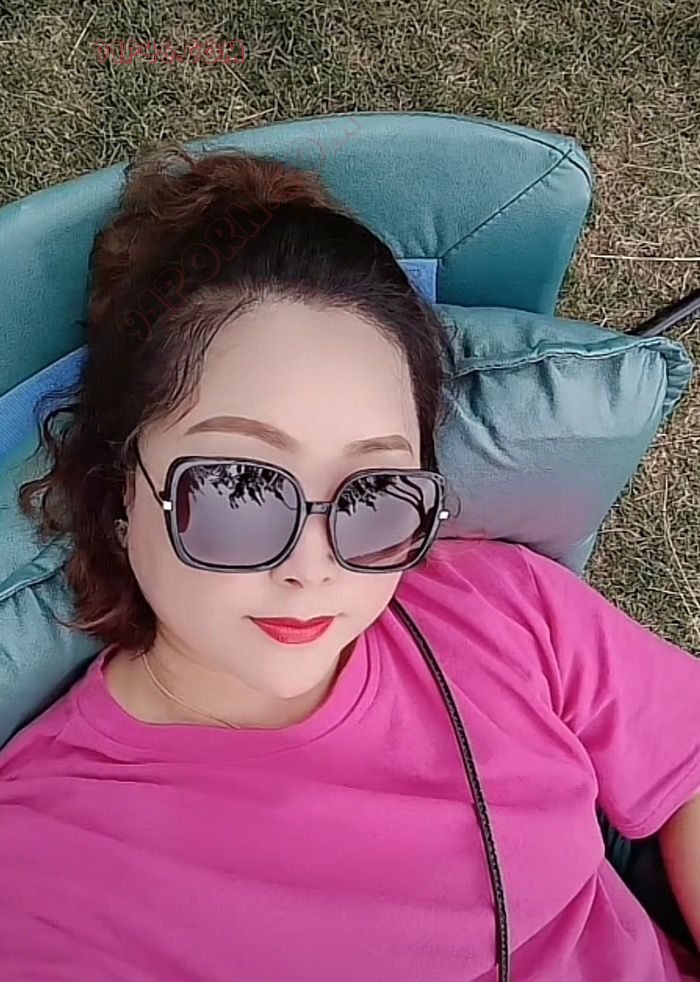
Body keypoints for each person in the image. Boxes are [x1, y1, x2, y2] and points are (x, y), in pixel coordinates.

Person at [0, 144, 699, 982]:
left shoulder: (503, 607)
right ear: (120, 488)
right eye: (238, 488)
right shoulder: (42, 865)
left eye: (375, 491)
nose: (315, 566)